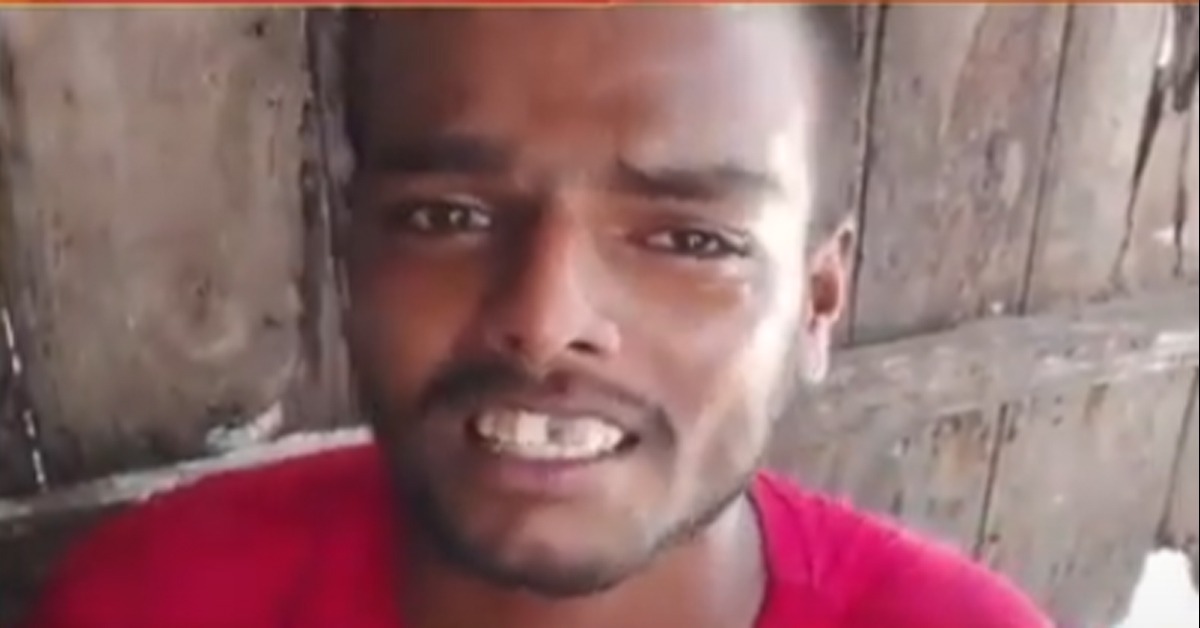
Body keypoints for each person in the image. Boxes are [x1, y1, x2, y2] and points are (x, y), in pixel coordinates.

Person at [23, 7, 1051, 628]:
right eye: (446, 217)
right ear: (353, 256)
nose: (544, 318)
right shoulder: (158, 601)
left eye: (690, 239)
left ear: (817, 299)